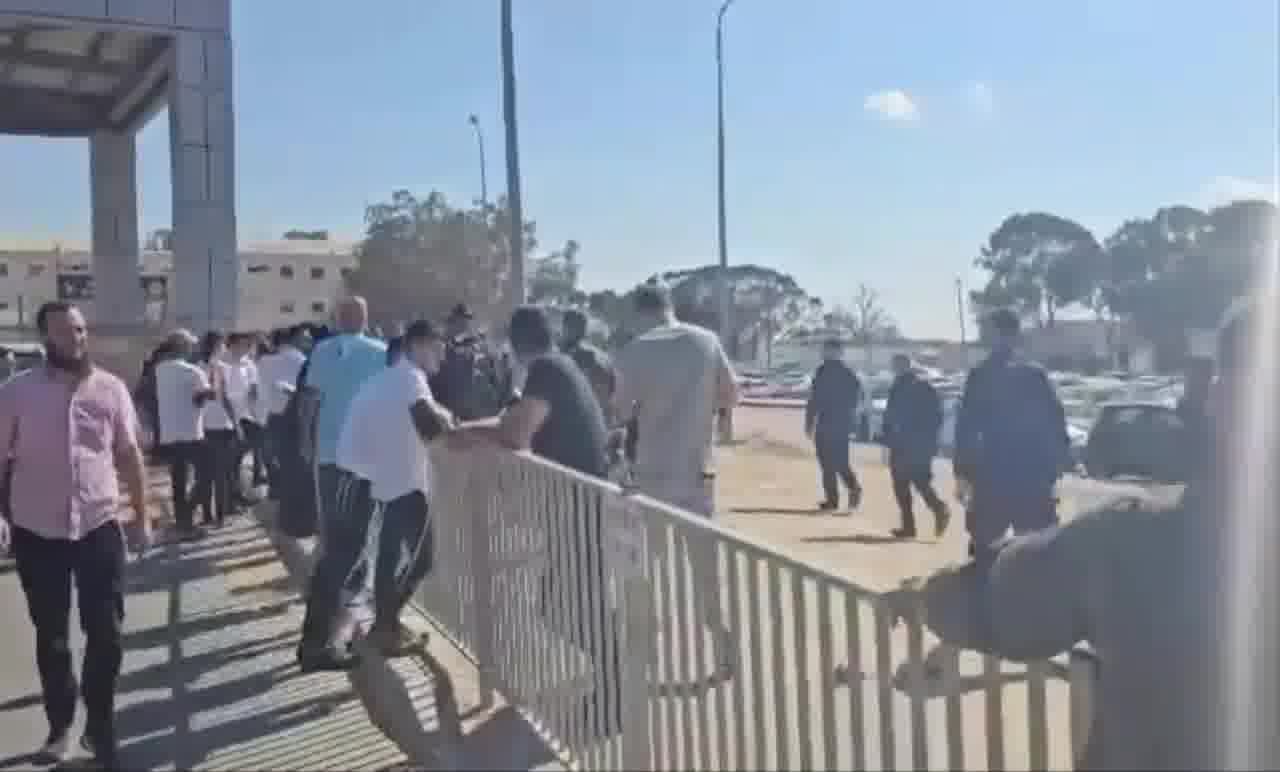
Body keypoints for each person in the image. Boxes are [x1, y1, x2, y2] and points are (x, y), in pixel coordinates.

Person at [886, 296, 1280, 770]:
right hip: (1029, 491)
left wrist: (926, 597)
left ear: (1219, 399)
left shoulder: (1131, 541)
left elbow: (1009, 596)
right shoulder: (1035, 383)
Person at [452, 305, 617, 737]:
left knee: (570, 605)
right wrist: (469, 428)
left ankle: (615, 687)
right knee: (572, 603)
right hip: (579, 505)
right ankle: (615, 678)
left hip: (579, 507)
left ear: (516, 342)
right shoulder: (557, 367)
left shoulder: (544, 370)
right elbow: (516, 422)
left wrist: (464, 435)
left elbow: (514, 434)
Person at [0, 301, 150, 767]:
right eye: (65, 333)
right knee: (53, 637)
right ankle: (60, 727)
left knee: (107, 633)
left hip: (98, 526)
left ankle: (99, 729)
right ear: (46, 337)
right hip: (35, 528)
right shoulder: (16, 393)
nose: (76, 340)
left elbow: (129, 455)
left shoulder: (110, 389)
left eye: (81, 331)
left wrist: (142, 514)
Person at [299, 320, 454, 667]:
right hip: (362, 480)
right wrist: (454, 425)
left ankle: (383, 625)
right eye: (436, 346)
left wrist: (442, 416)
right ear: (416, 346)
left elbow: (419, 417)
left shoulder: (391, 380)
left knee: (384, 557)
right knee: (345, 560)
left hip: (378, 481)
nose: (442, 354)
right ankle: (319, 645)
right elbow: (432, 429)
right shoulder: (409, 378)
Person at [613, 281, 738, 671]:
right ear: (670, 306)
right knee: (705, 568)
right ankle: (722, 642)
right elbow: (731, 393)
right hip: (697, 473)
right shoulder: (706, 341)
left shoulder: (636, 350)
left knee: (644, 567)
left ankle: (646, 644)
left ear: (640, 312)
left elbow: (619, 411)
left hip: (651, 475)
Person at [952, 308, 1069, 562]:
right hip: (1033, 477)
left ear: (997, 333)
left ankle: (987, 598)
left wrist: (962, 474)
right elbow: (1056, 422)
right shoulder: (1035, 374)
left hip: (993, 476)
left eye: (987, 329)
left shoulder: (981, 375)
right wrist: (1056, 469)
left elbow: (967, 428)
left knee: (985, 552)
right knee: (1040, 556)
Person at [304, 297, 388, 536]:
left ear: (338, 319)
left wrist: (306, 441)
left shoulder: (322, 350)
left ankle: (333, 566)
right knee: (362, 522)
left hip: (330, 450)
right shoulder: (382, 352)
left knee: (331, 519)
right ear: (365, 319)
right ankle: (356, 570)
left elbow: (310, 401)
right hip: (367, 450)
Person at [154, 329, 217, 540]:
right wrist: (214, 381)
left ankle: (183, 522)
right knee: (209, 472)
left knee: (178, 479)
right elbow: (205, 398)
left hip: (169, 433)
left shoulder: (159, 369)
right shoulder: (193, 372)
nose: (194, 348)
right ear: (184, 347)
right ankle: (187, 514)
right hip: (191, 432)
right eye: (191, 345)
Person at [882, 353, 950, 538]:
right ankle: (909, 527)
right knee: (901, 485)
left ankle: (939, 509)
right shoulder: (898, 386)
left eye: (899, 365)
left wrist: (927, 439)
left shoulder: (920, 386)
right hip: (902, 443)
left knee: (918, 482)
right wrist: (887, 437)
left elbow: (936, 416)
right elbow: (890, 415)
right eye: (895, 365)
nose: (896, 369)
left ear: (908, 366)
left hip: (916, 444)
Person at [804, 339, 864, 511]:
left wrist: (848, 417)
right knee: (825, 463)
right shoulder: (821, 371)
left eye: (829, 350)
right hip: (824, 421)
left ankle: (854, 488)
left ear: (838, 352)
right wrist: (809, 422)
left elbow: (855, 398)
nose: (825, 353)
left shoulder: (847, 374)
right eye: (825, 350)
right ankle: (832, 500)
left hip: (840, 423)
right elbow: (814, 399)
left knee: (840, 462)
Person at [430, 303, 505, 421]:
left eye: (466, 321)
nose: (465, 326)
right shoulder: (440, 346)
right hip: (446, 407)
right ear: (452, 322)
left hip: (467, 411)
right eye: (461, 321)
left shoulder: (470, 346)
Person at [257, 326, 308, 496]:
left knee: (273, 457)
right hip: (297, 417)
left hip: (273, 416)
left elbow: (261, 394)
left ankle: (276, 489)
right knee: (294, 460)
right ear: (295, 338)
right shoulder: (303, 361)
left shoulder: (264, 362)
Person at [197, 331, 241, 526]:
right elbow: (227, 399)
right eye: (222, 345)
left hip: (202, 426)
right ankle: (221, 516)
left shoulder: (196, 368)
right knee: (221, 473)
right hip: (221, 425)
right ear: (217, 346)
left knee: (204, 473)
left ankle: (207, 515)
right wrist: (236, 423)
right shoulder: (221, 369)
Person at [561, 309, 617, 420]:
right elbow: (612, 392)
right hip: (600, 423)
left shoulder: (564, 357)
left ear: (566, 328)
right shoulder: (605, 358)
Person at [226, 332, 265, 493]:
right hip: (225, 416)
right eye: (243, 344)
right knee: (230, 459)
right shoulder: (222, 362)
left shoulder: (249, 365)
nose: (246, 348)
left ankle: (237, 491)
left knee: (240, 455)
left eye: (248, 345)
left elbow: (254, 391)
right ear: (232, 345)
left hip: (245, 416)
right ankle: (231, 494)